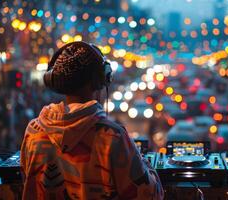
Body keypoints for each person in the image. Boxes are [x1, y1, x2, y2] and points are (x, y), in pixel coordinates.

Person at [20, 41, 164, 200]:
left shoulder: (33, 131)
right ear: (101, 80)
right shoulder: (113, 138)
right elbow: (150, 195)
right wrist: (143, 161)